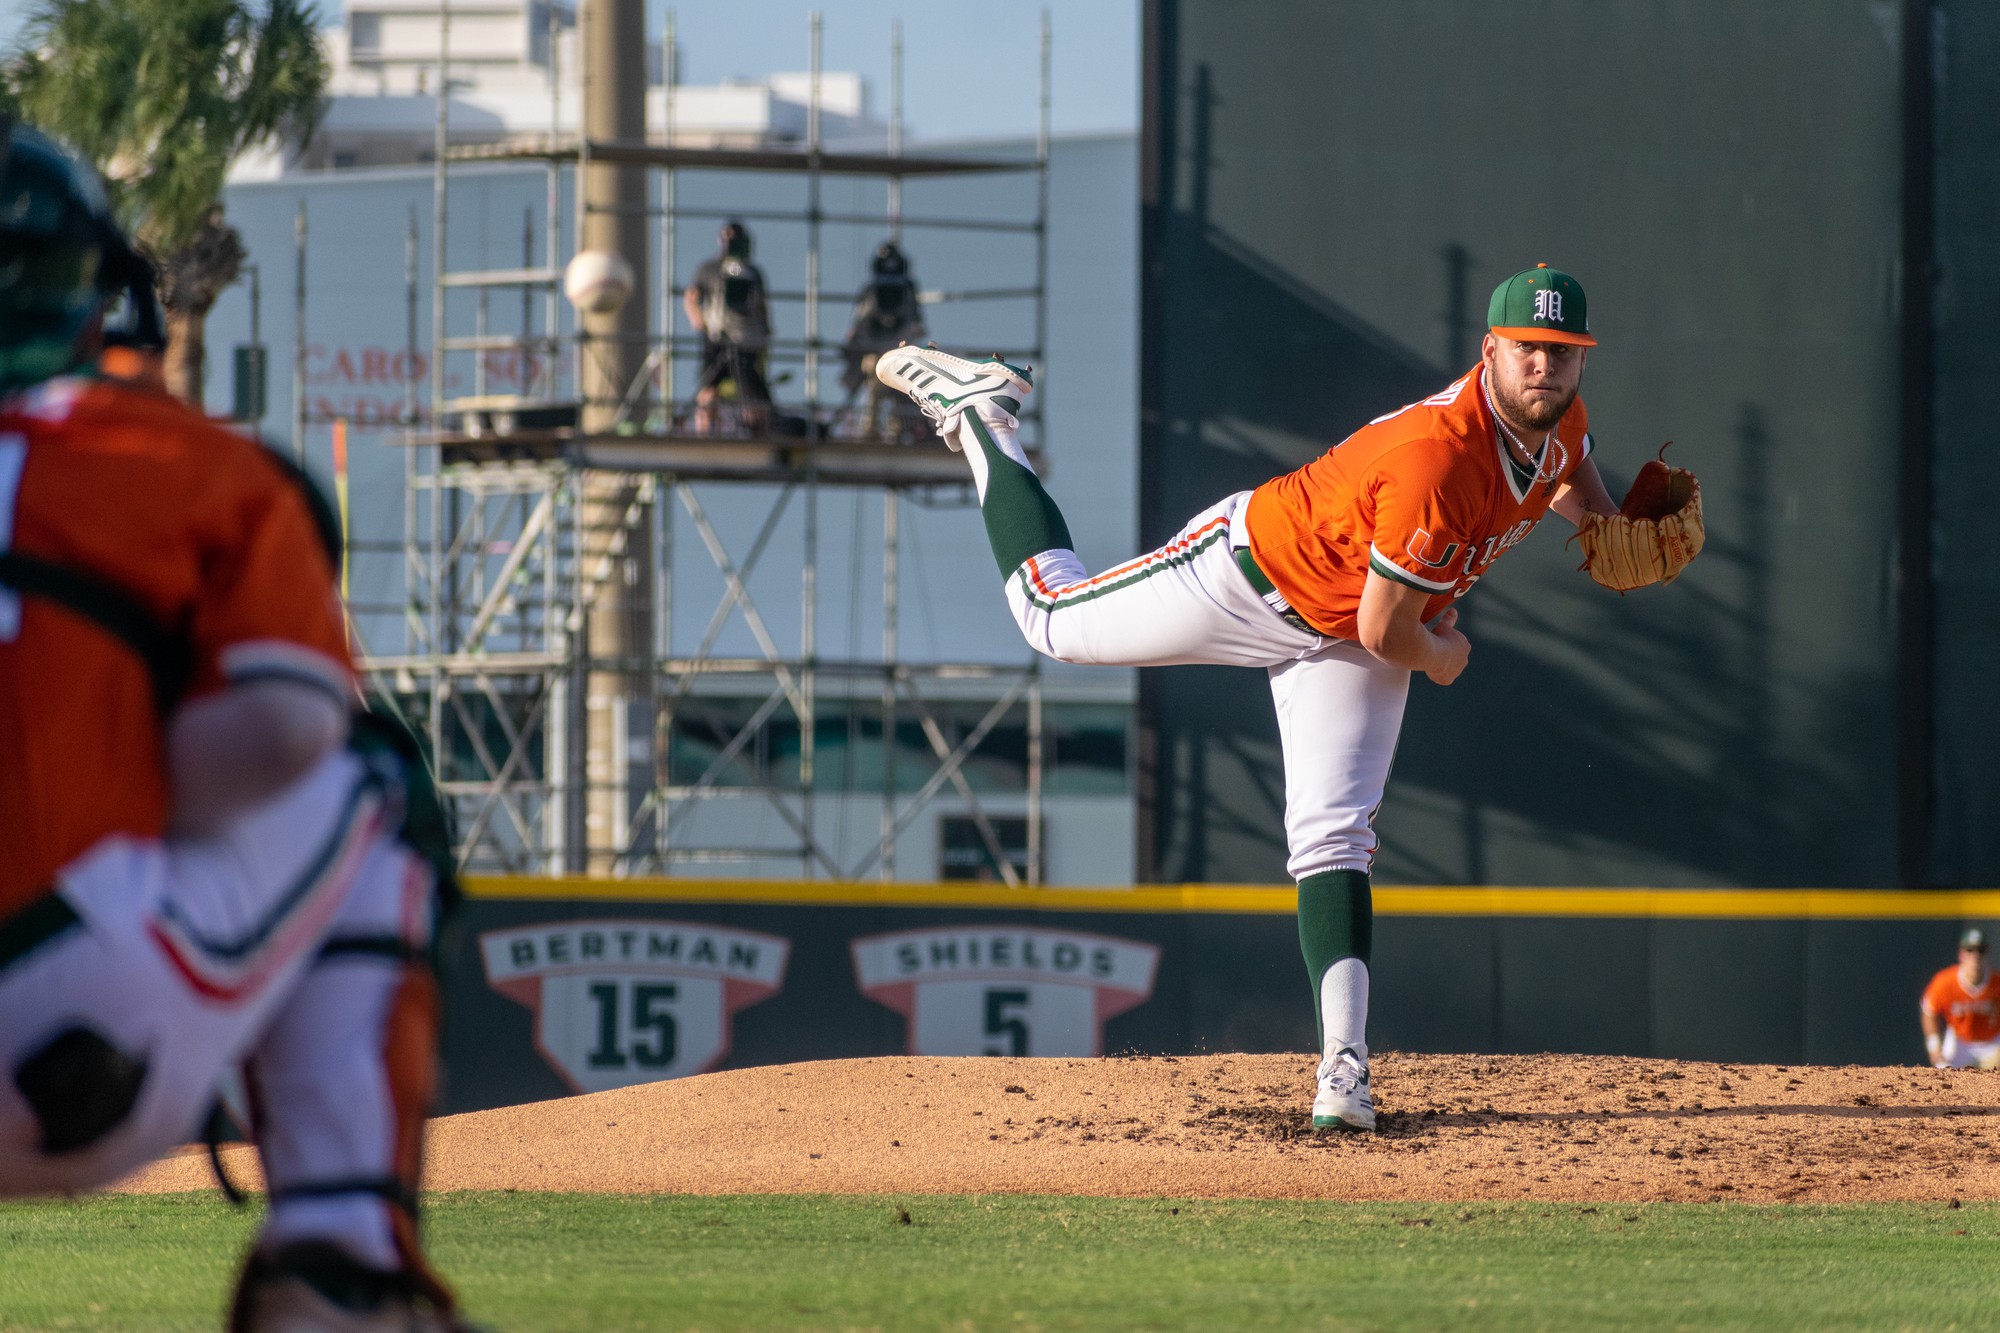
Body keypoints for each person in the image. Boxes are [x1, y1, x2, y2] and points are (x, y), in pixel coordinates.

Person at [879, 265, 1701, 1132]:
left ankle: (1343, 1075)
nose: (1546, 365)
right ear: (1490, 351)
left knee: (1335, 833)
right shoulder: (1437, 461)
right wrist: (1444, 658)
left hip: (1350, 621)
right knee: (1050, 618)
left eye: (1563, 351)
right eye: (1528, 349)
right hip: (1250, 578)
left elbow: (1564, 476)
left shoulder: (1561, 422)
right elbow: (1392, 633)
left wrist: (1610, 522)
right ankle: (982, 415)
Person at [0, 122, 473, 1330]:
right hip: (54, 1031)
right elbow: (278, 734)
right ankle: (339, 1250)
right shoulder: (176, 458)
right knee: (367, 770)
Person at [684, 218, 773, 435]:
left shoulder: (752, 271)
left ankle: (758, 435)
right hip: (717, 336)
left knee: (752, 392)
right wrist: (699, 321)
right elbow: (692, 296)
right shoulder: (710, 269)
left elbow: (761, 303)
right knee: (709, 389)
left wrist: (763, 331)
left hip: (746, 339)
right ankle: (705, 432)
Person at [840, 240, 928, 438]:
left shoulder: (905, 290)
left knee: (899, 391)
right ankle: (873, 430)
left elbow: (914, 325)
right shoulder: (874, 289)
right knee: (875, 389)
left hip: (896, 353)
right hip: (877, 352)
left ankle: (896, 429)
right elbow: (860, 323)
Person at [1921, 928, 2000, 1070]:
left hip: (1991, 1042)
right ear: (1961, 954)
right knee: (1942, 1069)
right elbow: (1928, 1010)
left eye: (1980, 950)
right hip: (1959, 1041)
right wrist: (1934, 1046)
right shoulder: (1945, 982)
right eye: (1970, 950)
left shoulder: (1996, 983)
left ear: (1987, 954)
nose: (1975, 956)